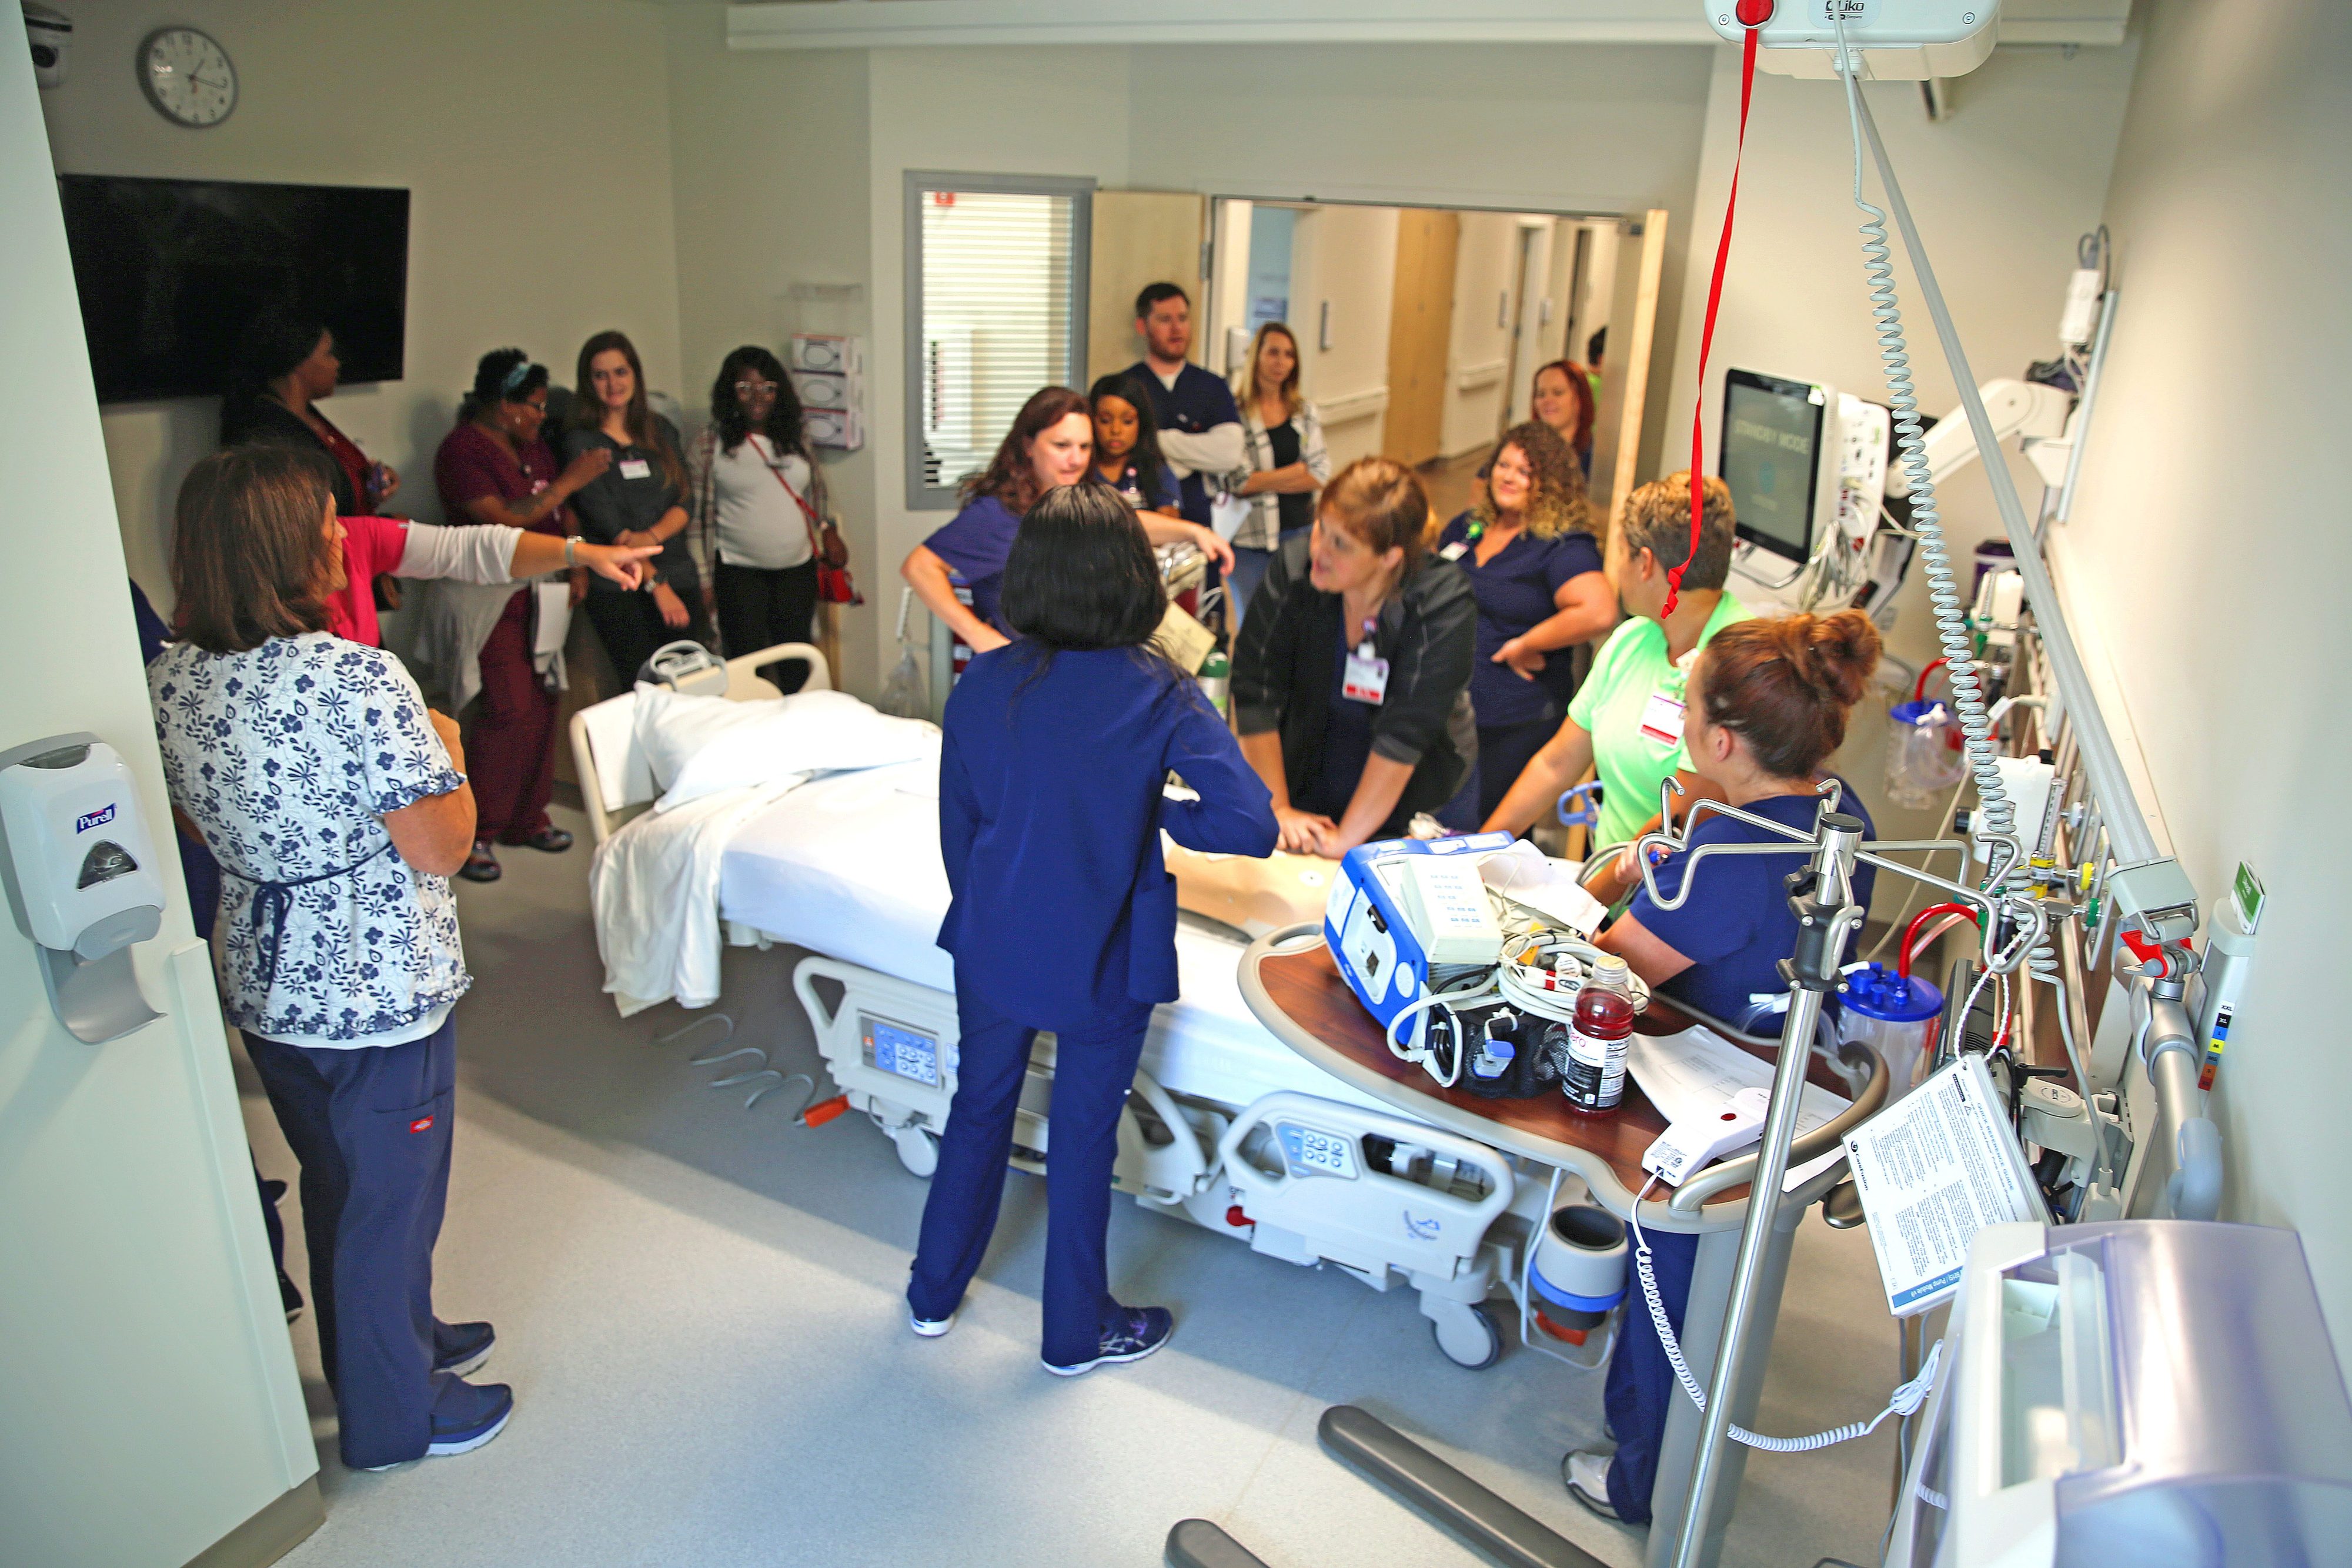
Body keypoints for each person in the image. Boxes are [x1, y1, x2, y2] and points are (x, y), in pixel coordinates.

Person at [148, 446, 509, 1472]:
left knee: (340, 1183)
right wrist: (448, 742)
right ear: (285, 548)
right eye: (323, 523)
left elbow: (195, 816)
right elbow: (439, 846)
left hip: (269, 978)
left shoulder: (168, 676)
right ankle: (401, 1415)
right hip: (374, 991)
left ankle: (403, 1338)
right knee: (387, 1206)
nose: (336, 537)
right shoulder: (357, 678)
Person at [907, 484, 1277, 1373]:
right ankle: (1075, 1333)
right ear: (1130, 581)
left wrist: (996, 906)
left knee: (978, 1108)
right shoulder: (1160, 691)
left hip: (992, 941)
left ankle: (931, 1293)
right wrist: (1160, 807)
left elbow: (959, 831)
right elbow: (1250, 825)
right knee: (1080, 1139)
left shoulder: (984, 678)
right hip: (1106, 956)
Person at [1564, 610, 1883, 1526]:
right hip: (1786, 1068)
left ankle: (1640, 1484)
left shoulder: (1730, 853)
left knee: (1665, 1285)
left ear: (1720, 737)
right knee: (1706, 1288)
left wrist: (1629, 869)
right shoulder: (1838, 808)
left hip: (1703, 1106)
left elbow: (1611, 964)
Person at [1479, 472, 1753, 891]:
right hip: (1608, 880)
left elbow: (1676, 824)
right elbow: (1556, 764)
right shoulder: (1634, 640)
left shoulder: (1739, 668)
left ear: (1645, 564)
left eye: (1620, 554)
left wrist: (1583, 912)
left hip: (1667, 897)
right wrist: (1480, 853)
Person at [1230, 457, 1477, 857]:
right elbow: (1255, 688)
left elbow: (1405, 734)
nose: (1319, 551)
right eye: (1321, 529)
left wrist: (1346, 840)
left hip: (1417, 796)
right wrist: (1278, 809)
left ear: (1390, 557)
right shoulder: (1296, 572)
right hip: (1311, 774)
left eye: (1341, 544)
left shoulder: (1441, 604)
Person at [427, 349, 607, 883]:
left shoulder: (531, 447)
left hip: (544, 590)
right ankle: (478, 831)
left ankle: (528, 818)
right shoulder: (462, 451)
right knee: (506, 710)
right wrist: (569, 482)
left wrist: (575, 557)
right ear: (502, 405)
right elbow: (505, 524)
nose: (540, 417)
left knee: (544, 704)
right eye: (531, 406)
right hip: (493, 598)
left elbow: (558, 513)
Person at [901, 387, 1233, 654]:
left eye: (1085, 447)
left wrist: (1194, 531)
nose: (1076, 460)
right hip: (1025, 674)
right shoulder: (998, 513)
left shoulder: (1076, 500)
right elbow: (919, 567)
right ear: (1029, 445)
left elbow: (1124, 519)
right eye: (1062, 446)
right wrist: (980, 636)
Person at [1433, 421, 1614, 825]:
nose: (1508, 477)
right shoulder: (1467, 527)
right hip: (1447, 707)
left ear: (1548, 484)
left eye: (1524, 471)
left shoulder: (1560, 545)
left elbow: (1598, 610)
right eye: (1503, 465)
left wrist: (1527, 644)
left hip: (1509, 719)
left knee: (1484, 832)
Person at [560, 330, 710, 684]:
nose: (613, 384)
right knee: (645, 687)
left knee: (693, 684)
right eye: (601, 375)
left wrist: (652, 536)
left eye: (620, 372)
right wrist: (657, 584)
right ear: (588, 382)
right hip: (622, 585)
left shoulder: (659, 429)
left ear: (635, 376)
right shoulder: (581, 443)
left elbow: (685, 500)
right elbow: (612, 526)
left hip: (678, 571)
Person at [686, 345, 834, 693]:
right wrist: (704, 579)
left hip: (797, 570)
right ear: (730, 392)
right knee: (746, 667)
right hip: (739, 572)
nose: (757, 397)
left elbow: (816, 493)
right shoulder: (711, 443)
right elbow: (697, 521)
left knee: (797, 665)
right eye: (745, 388)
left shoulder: (796, 438)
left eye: (767, 388)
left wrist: (828, 529)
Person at [219, 302, 397, 517]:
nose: (336, 363)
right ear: (299, 362)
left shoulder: (306, 415)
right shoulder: (269, 435)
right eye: (329, 354)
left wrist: (374, 484)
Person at [1227, 322, 1329, 628]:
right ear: (1256, 357)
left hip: (1298, 532)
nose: (1281, 362)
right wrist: (1297, 473)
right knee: (1255, 625)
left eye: (1289, 355)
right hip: (1250, 541)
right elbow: (1239, 480)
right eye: (1273, 353)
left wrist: (1263, 479)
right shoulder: (1235, 413)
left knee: (1296, 622)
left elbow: (1321, 473)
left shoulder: (1305, 412)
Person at [1126, 283, 1245, 531]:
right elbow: (1118, 451)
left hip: (1199, 522)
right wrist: (1196, 455)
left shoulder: (1212, 386)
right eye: (1164, 319)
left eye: (1182, 318)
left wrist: (1155, 442)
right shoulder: (1125, 387)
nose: (1177, 328)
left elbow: (1230, 454)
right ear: (1142, 326)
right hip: (1139, 524)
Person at [1087, 373, 1179, 516]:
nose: (1116, 430)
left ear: (1142, 423)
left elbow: (1171, 527)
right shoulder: (1080, 470)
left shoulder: (1158, 471)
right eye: (1105, 420)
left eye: (1128, 421)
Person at [1530, 357, 1598, 476]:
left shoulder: (1595, 459)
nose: (1547, 400)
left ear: (1580, 399)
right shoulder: (1523, 446)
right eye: (1541, 394)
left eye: (1558, 393)